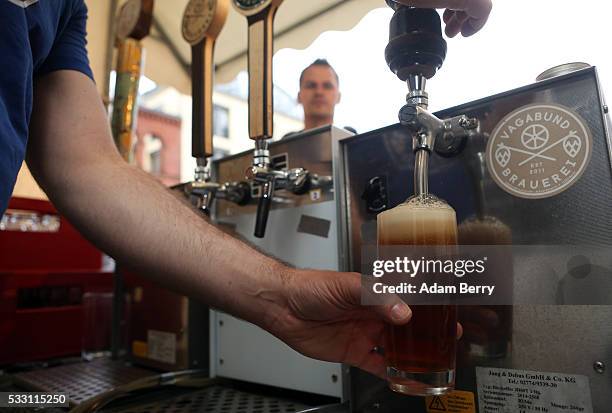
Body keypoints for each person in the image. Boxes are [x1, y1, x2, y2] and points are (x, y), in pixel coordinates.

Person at [0, 0, 490, 378]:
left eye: (327, 86)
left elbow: (90, 169)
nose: (319, 93)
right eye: (311, 86)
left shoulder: (65, 10)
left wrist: (285, 294)